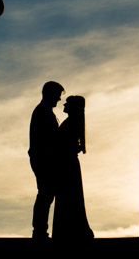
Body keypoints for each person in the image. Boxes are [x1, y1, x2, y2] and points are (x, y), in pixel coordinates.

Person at [52, 95, 94, 240]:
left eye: (67, 103)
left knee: (68, 198)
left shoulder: (71, 123)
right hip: (68, 163)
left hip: (67, 164)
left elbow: (64, 144)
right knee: (69, 197)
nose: (64, 105)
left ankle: (68, 231)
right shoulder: (72, 122)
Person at [29, 81, 64, 239]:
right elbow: (49, 137)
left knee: (46, 194)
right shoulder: (42, 112)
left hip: (43, 158)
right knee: (45, 193)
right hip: (44, 159)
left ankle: (40, 230)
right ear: (50, 94)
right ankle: (39, 231)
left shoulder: (44, 111)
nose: (59, 99)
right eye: (57, 95)